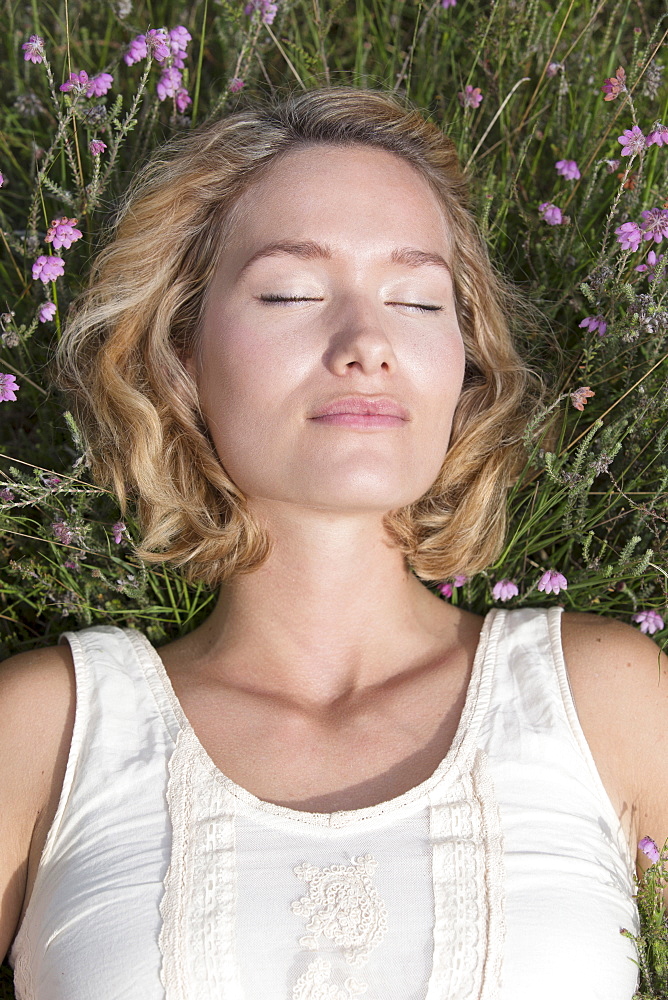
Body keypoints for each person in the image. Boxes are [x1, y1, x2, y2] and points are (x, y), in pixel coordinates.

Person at [0, 85, 666, 1000]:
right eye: (291, 291)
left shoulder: (607, 700)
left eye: (418, 301)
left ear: (464, 362)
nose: (367, 342)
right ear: (180, 351)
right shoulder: (51, 728)